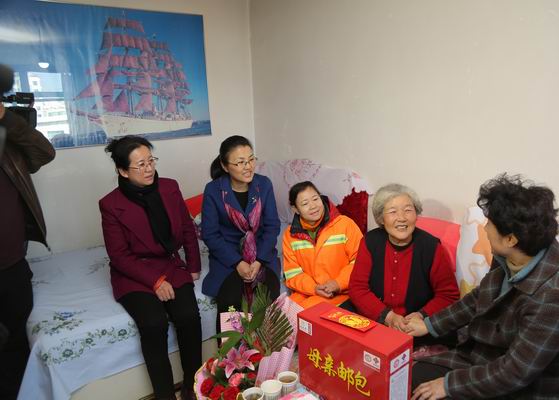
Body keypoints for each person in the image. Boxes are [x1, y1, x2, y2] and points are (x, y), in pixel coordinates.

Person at [408, 174, 559, 400]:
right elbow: (479, 298)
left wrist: (448, 385)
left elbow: (515, 373)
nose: (484, 228)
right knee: (409, 378)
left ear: (510, 239)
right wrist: (429, 325)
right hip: (484, 358)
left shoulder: (555, 299)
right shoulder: (513, 255)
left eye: (489, 224)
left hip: (530, 389)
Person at [99, 136, 201, 400]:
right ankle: (164, 394)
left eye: (151, 161)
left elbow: (187, 227)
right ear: (123, 171)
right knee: (153, 323)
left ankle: (192, 386)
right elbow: (119, 256)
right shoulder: (110, 204)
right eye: (140, 165)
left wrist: (193, 264)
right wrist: (155, 281)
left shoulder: (169, 187)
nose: (149, 169)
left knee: (189, 316)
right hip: (134, 271)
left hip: (169, 263)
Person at [345, 183, 459, 346]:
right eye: (392, 212)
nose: (402, 218)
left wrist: (421, 315)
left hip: (414, 326)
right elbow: (357, 288)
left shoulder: (431, 247)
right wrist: (388, 316)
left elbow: (448, 295)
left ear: (416, 214)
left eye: (408, 210)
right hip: (375, 318)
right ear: (381, 218)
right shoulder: (370, 241)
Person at [0, 103, 55, 400]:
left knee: (18, 342)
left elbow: (45, 153)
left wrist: (7, 118)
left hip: (12, 264)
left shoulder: (8, 142)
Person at [201, 135, 280, 331]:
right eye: (240, 162)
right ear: (225, 166)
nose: (248, 167)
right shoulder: (213, 190)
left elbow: (272, 226)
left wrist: (259, 260)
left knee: (269, 302)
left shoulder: (264, 184)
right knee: (230, 303)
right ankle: (233, 351)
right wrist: (238, 262)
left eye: (251, 159)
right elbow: (210, 234)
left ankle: (265, 350)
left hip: (261, 255)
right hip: (228, 258)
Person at [282, 181, 363, 308]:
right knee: (279, 314)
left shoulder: (345, 224)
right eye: (305, 203)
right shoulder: (289, 235)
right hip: (307, 292)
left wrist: (337, 283)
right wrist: (313, 288)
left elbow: (360, 262)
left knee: (307, 314)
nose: (313, 206)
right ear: (295, 209)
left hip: (343, 293)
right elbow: (293, 274)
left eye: (315, 199)